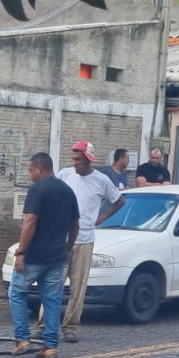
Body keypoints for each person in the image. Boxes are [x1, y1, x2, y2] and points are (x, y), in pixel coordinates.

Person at [51, 141, 124, 343]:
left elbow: (119, 201)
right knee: (53, 284)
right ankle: (44, 325)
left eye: (79, 160)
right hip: (61, 238)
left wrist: (102, 218)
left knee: (78, 286)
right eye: (73, 159)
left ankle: (70, 326)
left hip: (84, 240)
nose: (75, 163)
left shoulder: (101, 181)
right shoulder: (64, 175)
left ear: (88, 160)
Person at [10, 153, 80, 358]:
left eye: (31, 171)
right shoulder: (68, 191)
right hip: (57, 257)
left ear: (40, 169)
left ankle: (22, 339)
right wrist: (68, 248)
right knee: (51, 300)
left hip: (34, 256)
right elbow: (75, 224)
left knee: (17, 293)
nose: (30, 175)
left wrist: (21, 252)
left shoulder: (37, 189)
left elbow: (30, 221)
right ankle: (50, 347)